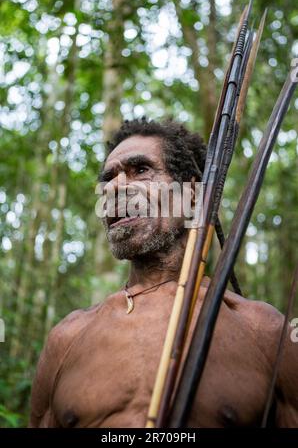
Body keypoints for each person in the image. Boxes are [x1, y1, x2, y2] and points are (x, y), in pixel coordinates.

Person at [29, 118, 298, 428]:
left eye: (140, 170)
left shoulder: (265, 332)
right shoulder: (66, 340)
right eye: (108, 179)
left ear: (193, 195)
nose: (115, 188)